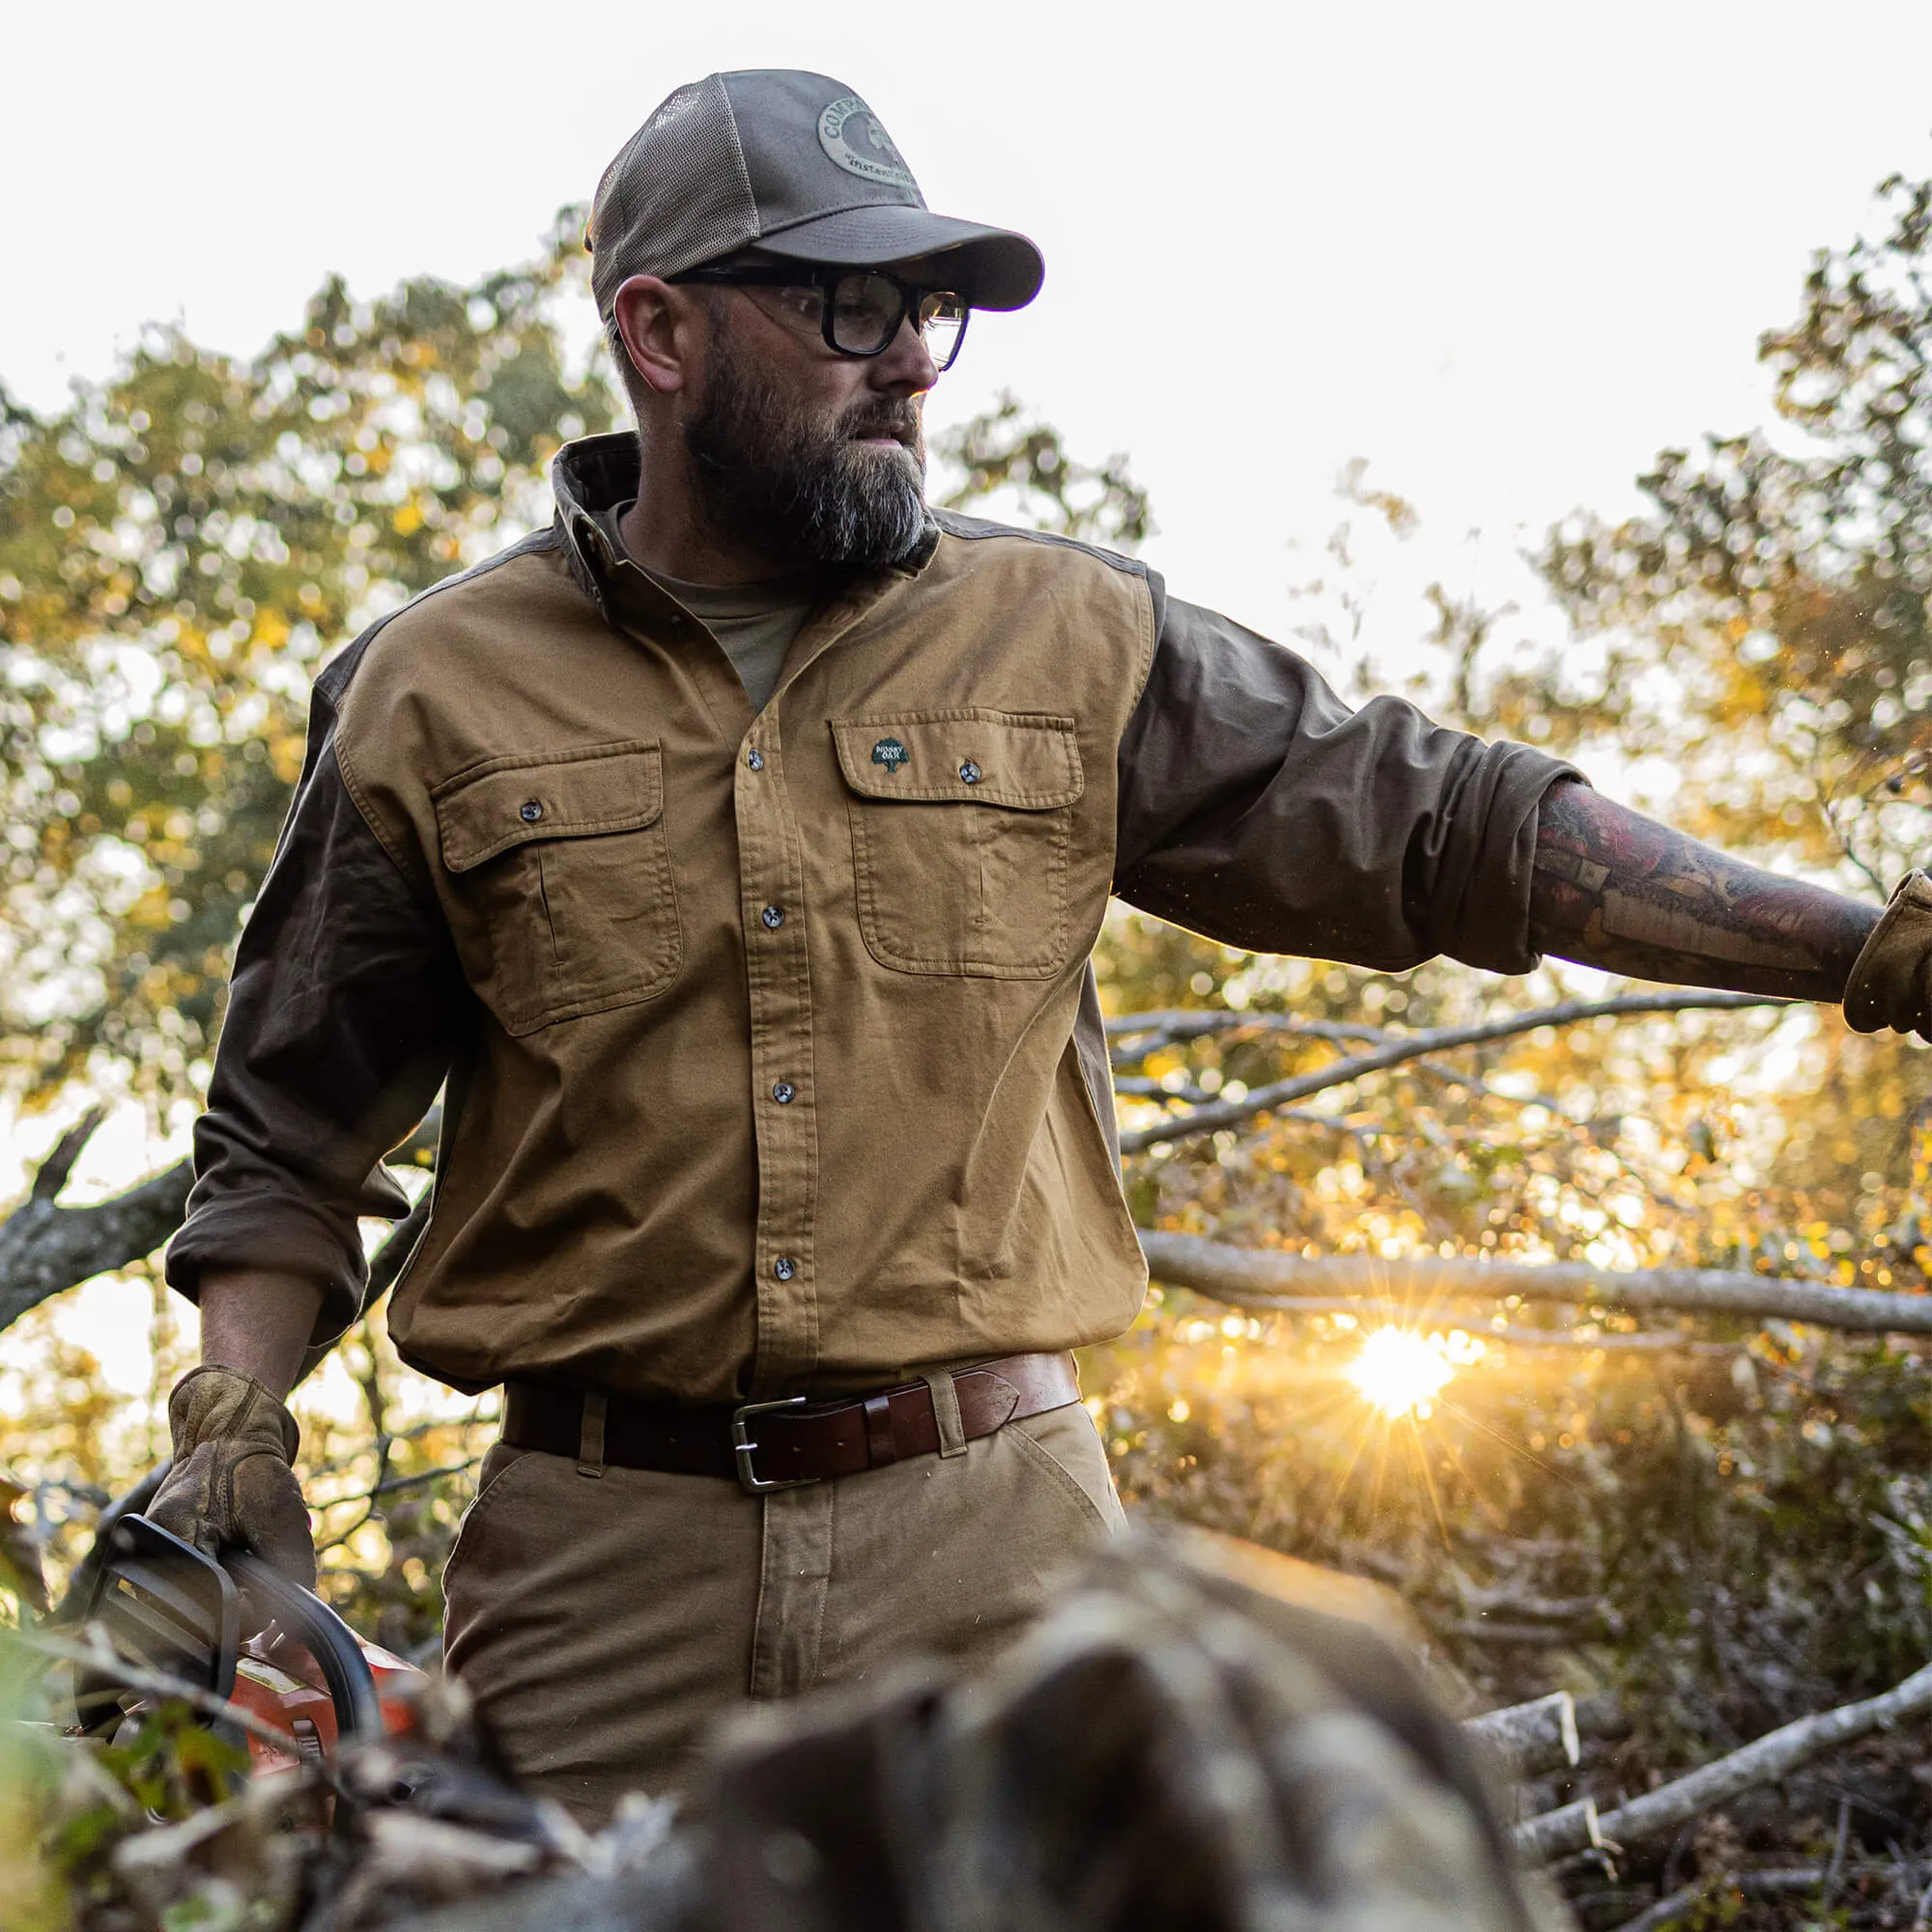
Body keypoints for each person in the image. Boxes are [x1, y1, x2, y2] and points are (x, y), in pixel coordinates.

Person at [148, 68, 1932, 1822]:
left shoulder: (1073, 639)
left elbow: (1450, 827)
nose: (912, 362)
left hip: (1000, 1550)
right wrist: (231, 1426)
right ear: (660, 331)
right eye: (849, 307)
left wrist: (1868, 948)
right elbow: (287, 1140)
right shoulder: (431, 691)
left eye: (930, 310)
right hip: (596, 1586)